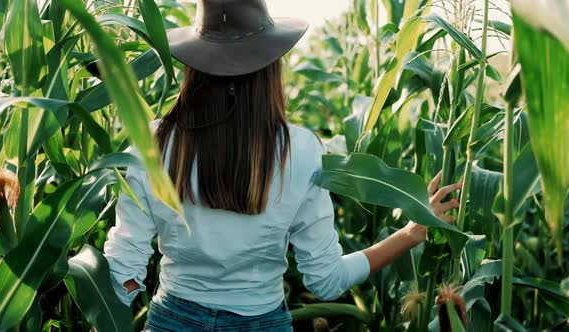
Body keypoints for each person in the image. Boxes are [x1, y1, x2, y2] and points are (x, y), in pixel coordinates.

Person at [103, 0, 462, 331]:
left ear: (194, 68)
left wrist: (105, 307)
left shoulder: (152, 142)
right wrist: (411, 233)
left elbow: (123, 272)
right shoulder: (301, 151)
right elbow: (326, 280)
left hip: (172, 321)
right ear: (269, 69)